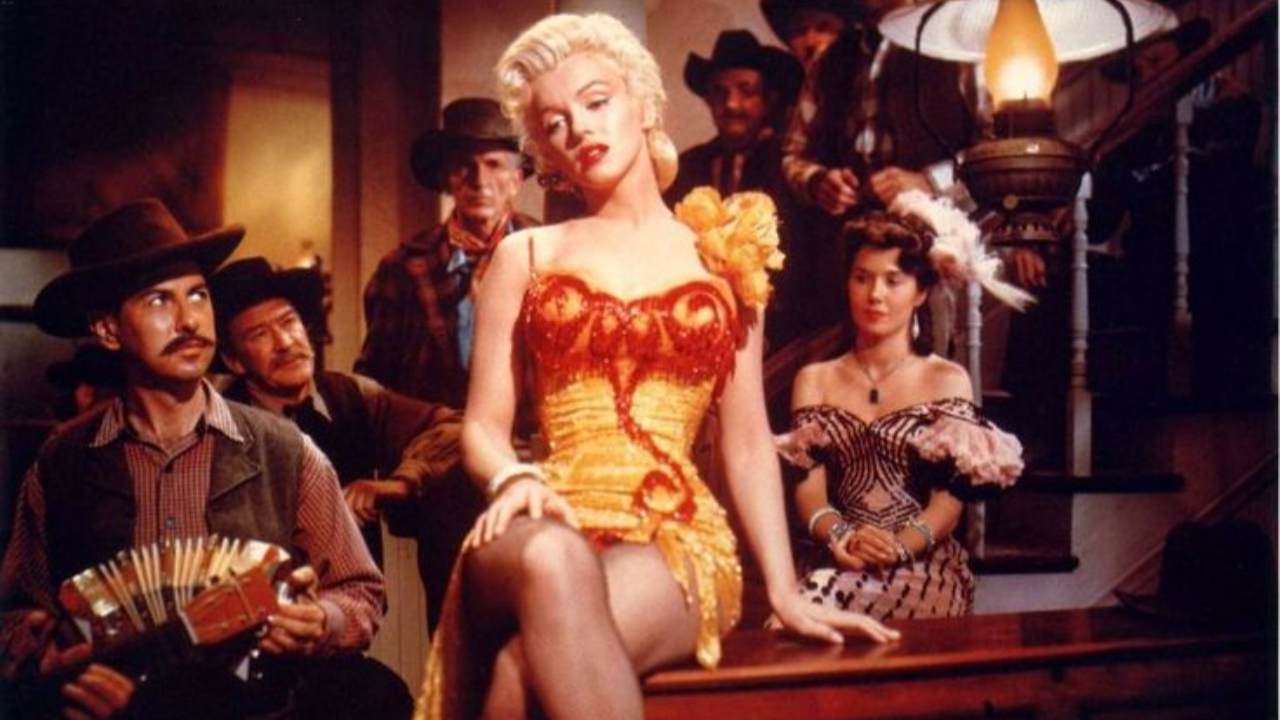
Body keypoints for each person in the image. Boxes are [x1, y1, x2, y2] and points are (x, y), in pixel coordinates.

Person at [417, 13, 899, 720]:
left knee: (522, 672)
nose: (578, 129)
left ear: (643, 103)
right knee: (552, 557)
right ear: (545, 154)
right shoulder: (525, 255)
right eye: (553, 124)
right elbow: (482, 428)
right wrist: (512, 476)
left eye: (595, 101)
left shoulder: (725, 258)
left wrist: (786, 590)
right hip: (538, 516)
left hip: (675, 533)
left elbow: (745, 441)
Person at [0, 199, 385, 719]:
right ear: (108, 330)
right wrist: (52, 659)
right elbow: (14, 616)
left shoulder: (286, 450)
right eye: (159, 301)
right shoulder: (61, 462)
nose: (189, 320)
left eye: (198, 295)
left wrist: (322, 621)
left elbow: (360, 592)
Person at [776, 192, 1027, 620]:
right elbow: (810, 492)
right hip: (840, 558)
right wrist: (843, 537)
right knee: (801, 614)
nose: (875, 294)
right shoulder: (814, 379)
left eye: (893, 281)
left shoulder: (946, 379)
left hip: (922, 561)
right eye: (862, 278)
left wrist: (897, 547)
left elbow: (948, 505)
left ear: (920, 292)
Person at [211, 257, 463, 627]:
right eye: (259, 335)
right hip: (250, 620)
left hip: (343, 622)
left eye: (289, 322)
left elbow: (454, 428)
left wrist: (400, 483)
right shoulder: (220, 420)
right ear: (234, 361)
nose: (285, 343)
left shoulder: (350, 396)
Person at [772, 0, 973, 349]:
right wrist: (819, 181)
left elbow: (997, 144)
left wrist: (930, 181)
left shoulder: (953, 38)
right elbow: (794, 154)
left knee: (932, 358)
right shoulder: (833, 57)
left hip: (938, 248)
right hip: (849, 253)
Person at [356, 97, 537, 408]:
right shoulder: (402, 268)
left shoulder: (545, 252)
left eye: (493, 165)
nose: (479, 181)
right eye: (464, 166)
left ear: (516, 180)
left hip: (527, 432)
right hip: (435, 432)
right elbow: (376, 381)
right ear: (445, 180)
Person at [664, 30, 807, 350]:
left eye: (746, 91)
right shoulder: (685, 167)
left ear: (769, 99)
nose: (731, 104)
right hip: (697, 326)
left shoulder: (790, 167)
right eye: (719, 92)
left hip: (782, 334)